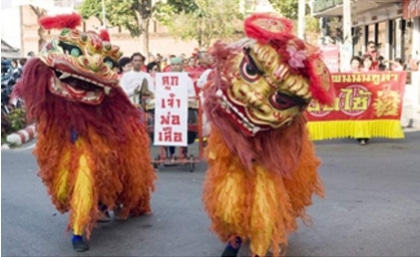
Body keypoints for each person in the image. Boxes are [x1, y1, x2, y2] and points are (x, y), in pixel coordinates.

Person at [165, 57, 196, 159]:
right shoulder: (165, 79)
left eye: (177, 65)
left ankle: (184, 152)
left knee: (184, 129)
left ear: (181, 66)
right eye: (173, 65)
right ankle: (171, 153)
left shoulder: (187, 79)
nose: (175, 67)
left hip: (184, 108)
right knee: (170, 130)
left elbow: (192, 93)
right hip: (169, 109)